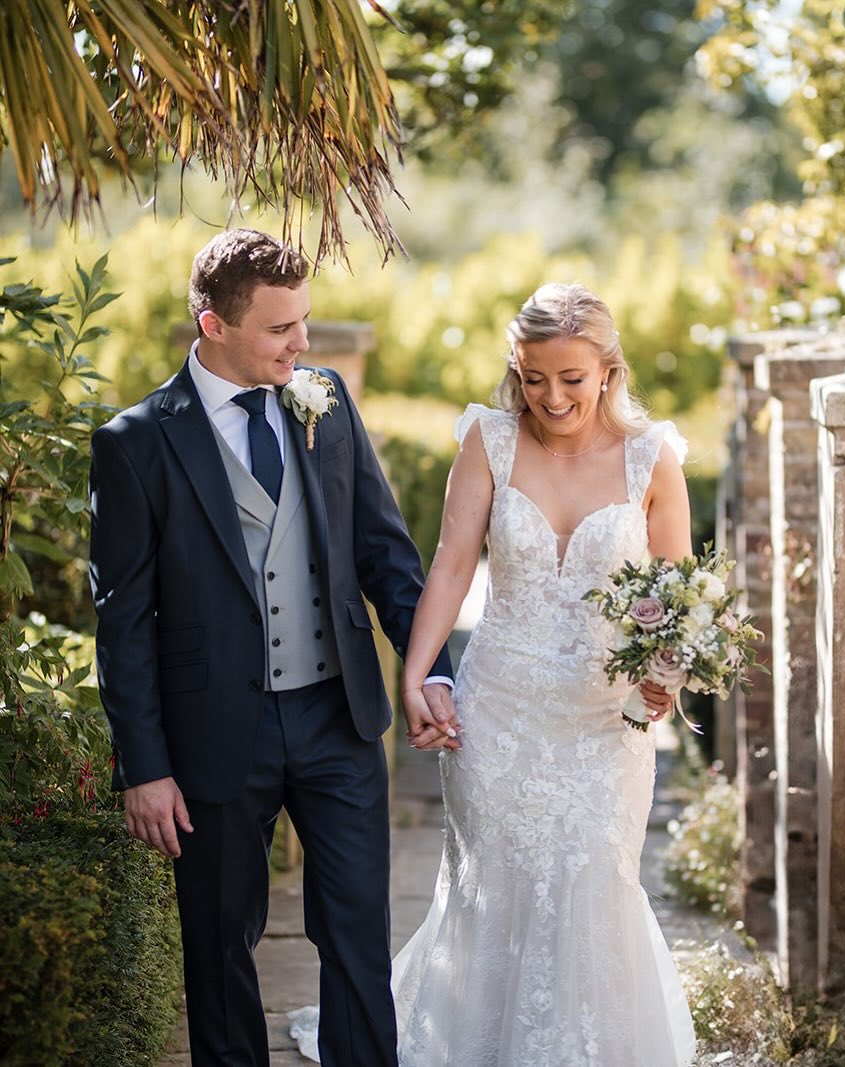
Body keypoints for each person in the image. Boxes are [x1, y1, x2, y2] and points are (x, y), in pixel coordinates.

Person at [89, 228, 459, 1067]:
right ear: (212, 324)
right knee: (219, 948)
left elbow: (387, 558)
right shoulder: (136, 442)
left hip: (339, 717)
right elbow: (124, 619)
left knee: (359, 935)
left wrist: (429, 667)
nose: (302, 342)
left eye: (304, 322)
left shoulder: (323, 400)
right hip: (217, 733)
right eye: (279, 328)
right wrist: (144, 766)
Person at [314, 282, 697, 1064]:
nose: (550, 397)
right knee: (496, 885)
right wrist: (418, 676)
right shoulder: (487, 442)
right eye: (531, 377)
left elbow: (677, 590)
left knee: (594, 883)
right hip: (499, 712)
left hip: (603, 721)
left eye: (570, 378)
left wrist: (668, 675)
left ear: (608, 369)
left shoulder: (650, 458)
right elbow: (451, 566)